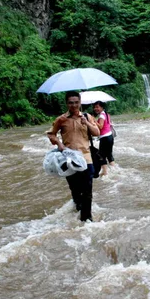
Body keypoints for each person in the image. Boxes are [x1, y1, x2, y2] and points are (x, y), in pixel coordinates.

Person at [47, 92, 100, 222]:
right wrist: (59, 143)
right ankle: (78, 208)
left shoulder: (87, 116)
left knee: (87, 191)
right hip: (69, 159)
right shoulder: (61, 119)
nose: (74, 105)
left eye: (76, 102)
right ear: (67, 103)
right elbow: (51, 134)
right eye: (71, 102)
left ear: (80, 102)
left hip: (86, 158)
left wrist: (86, 123)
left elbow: (97, 132)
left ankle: (86, 219)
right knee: (75, 190)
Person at [92, 101, 116, 176]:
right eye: (95, 107)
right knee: (109, 154)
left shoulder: (101, 116)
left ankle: (105, 172)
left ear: (102, 107)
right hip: (110, 136)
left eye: (97, 107)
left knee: (101, 155)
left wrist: (94, 120)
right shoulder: (106, 114)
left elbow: (100, 126)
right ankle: (114, 169)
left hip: (105, 137)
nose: (95, 109)